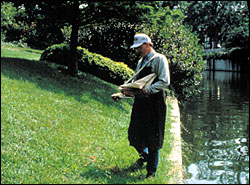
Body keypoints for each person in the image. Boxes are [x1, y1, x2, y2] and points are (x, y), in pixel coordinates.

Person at [113, 33, 170, 178]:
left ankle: (151, 172)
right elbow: (138, 83)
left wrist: (147, 90)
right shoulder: (141, 62)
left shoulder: (159, 59)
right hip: (141, 102)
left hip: (155, 102)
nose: (138, 50)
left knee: (153, 137)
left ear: (148, 44)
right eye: (136, 47)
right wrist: (124, 93)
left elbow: (164, 81)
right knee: (135, 134)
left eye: (140, 47)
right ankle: (145, 156)